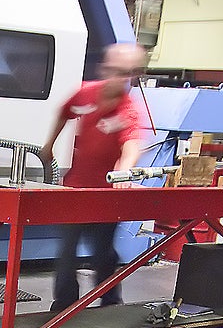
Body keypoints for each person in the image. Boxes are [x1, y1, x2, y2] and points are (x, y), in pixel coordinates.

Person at [42, 42, 153, 314]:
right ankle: (64, 304)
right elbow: (63, 113)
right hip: (75, 190)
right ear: (104, 69)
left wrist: (124, 171)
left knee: (103, 252)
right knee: (66, 251)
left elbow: (131, 146)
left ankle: (110, 302)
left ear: (134, 74)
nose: (119, 78)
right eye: (115, 71)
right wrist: (48, 147)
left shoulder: (129, 110)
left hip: (105, 195)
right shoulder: (85, 94)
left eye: (127, 73)